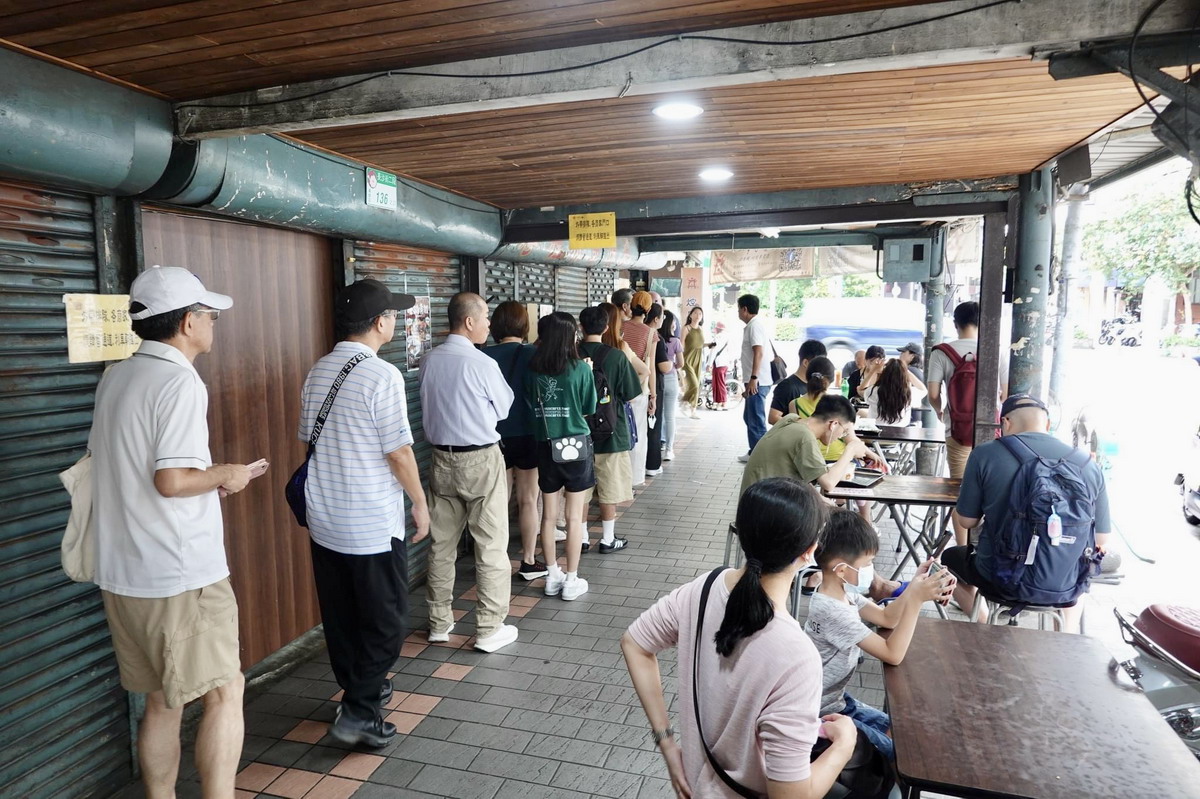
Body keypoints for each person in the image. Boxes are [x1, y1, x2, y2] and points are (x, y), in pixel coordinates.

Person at [89, 266, 258, 798]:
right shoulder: (179, 381)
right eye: (209, 316)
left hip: (124, 571)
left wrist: (209, 481)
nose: (213, 325)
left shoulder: (117, 375)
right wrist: (227, 475)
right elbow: (172, 479)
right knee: (226, 691)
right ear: (188, 322)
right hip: (180, 576)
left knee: (163, 700)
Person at [621, 478, 858, 798]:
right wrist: (844, 744)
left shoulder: (704, 589)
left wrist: (667, 744)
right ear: (810, 552)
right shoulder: (796, 656)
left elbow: (634, 644)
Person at [299, 278, 428, 747]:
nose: (395, 319)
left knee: (343, 615)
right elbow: (398, 453)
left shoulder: (318, 370)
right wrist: (420, 502)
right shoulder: (381, 375)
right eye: (393, 313)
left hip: (324, 516)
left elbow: (311, 441)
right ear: (380, 322)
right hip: (369, 521)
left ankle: (362, 689)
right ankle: (358, 713)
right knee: (386, 618)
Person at [943, 394, 1110, 631]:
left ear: (1005, 423)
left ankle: (984, 625)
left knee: (949, 559)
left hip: (999, 579)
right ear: (1048, 425)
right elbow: (1101, 539)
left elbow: (967, 521)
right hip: (1065, 585)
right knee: (1081, 576)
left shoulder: (985, 454)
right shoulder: (1087, 465)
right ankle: (1066, 634)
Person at [805, 511, 952, 759]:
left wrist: (915, 582)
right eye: (865, 565)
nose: (870, 571)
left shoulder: (844, 593)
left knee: (905, 734)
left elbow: (888, 618)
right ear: (841, 569)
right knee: (901, 755)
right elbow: (892, 654)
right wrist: (915, 600)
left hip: (837, 701)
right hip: (818, 713)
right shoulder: (830, 610)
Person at [421, 292, 520, 654]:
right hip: (480, 460)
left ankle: (438, 623)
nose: (489, 325)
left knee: (441, 545)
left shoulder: (429, 360)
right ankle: (489, 628)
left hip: (439, 460)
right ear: (469, 322)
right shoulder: (481, 363)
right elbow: (504, 409)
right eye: (486, 318)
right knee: (491, 546)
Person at [524, 312, 597, 601]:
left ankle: (552, 575)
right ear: (570, 337)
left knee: (549, 515)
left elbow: (530, 404)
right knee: (574, 517)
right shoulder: (581, 368)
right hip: (576, 446)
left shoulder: (532, 369)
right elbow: (589, 407)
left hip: (546, 445)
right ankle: (571, 579)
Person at [482, 301, 545, 581]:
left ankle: (497, 560)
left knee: (498, 500)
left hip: (494, 436)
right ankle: (529, 561)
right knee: (529, 499)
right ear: (524, 325)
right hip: (529, 433)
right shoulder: (533, 353)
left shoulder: (482, 356)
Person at [579, 305, 643, 553]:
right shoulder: (616, 356)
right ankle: (607, 539)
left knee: (580, 490)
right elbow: (631, 393)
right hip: (612, 432)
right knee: (609, 488)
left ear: (581, 327)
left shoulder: (570, 354)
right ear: (606, 328)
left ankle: (582, 537)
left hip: (577, 432)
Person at [741, 394, 884, 495]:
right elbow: (828, 483)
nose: (841, 436)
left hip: (755, 501)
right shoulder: (805, 437)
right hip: (763, 514)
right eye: (844, 431)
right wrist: (850, 450)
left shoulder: (791, 419)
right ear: (833, 424)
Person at [926, 301, 981, 479]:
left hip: (957, 428)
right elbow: (1004, 395)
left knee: (958, 490)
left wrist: (939, 410)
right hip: (990, 430)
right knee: (987, 488)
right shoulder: (996, 351)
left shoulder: (941, 352)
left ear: (955, 323)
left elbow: (933, 394)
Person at [622, 290, 658, 487]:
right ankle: (634, 480)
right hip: (638, 389)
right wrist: (653, 395)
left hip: (617, 387)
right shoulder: (651, 333)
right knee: (638, 435)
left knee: (619, 435)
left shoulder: (620, 327)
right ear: (649, 309)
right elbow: (650, 367)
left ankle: (617, 479)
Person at [737, 293, 772, 462]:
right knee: (750, 417)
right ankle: (754, 451)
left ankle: (761, 457)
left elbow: (758, 351)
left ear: (745, 309)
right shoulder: (753, 325)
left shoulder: (754, 326)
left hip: (758, 381)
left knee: (756, 420)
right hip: (756, 380)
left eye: (739, 309)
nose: (738, 312)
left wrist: (753, 378)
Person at [769, 339, 828, 426]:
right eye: (819, 363)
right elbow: (773, 417)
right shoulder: (787, 386)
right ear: (806, 363)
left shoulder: (815, 384)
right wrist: (803, 425)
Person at [860, 358, 928, 426]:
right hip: (901, 432)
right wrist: (906, 371)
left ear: (885, 374)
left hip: (877, 429)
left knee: (860, 412)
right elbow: (924, 390)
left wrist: (873, 370)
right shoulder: (909, 393)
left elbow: (861, 389)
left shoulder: (874, 391)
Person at [644, 303, 668, 476]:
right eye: (662, 316)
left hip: (637, 387)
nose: (664, 319)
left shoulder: (632, 331)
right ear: (656, 319)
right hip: (653, 385)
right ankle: (652, 464)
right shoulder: (654, 337)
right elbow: (661, 366)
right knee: (654, 425)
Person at [658, 309, 684, 462]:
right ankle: (669, 449)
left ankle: (660, 442)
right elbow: (681, 363)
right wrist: (672, 364)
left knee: (659, 414)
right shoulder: (675, 342)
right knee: (670, 416)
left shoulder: (657, 338)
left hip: (658, 380)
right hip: (671, 379)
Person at [680, 307, 706, 419]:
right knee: (694, 385)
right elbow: (680, 345)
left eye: (700, 313)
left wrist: (709, 345)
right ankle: (684, 400)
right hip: (687, 360)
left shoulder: (701, 329)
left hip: (698, 360)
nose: (698, 315)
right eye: (695, 313)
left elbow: (700, 344)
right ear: (690, 315)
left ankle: (693, 410)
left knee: (697, 385)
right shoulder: (686, 328)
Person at [898, 342, 925, 425]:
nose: (900, 355)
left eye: (903, 352)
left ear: (912, 356)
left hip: (907, 419)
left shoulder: (907, 372)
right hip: (916, 417)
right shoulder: (919, 371)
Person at [709, 321, 733, 410]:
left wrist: (709, 364)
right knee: (720, 383)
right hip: (725, 363)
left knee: (717, 384)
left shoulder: (717, 337)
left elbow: (713, 351)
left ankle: (722, 402)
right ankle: (719, 402)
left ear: (718, 329)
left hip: (718, 363)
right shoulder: (728, 338)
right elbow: (731, 352)